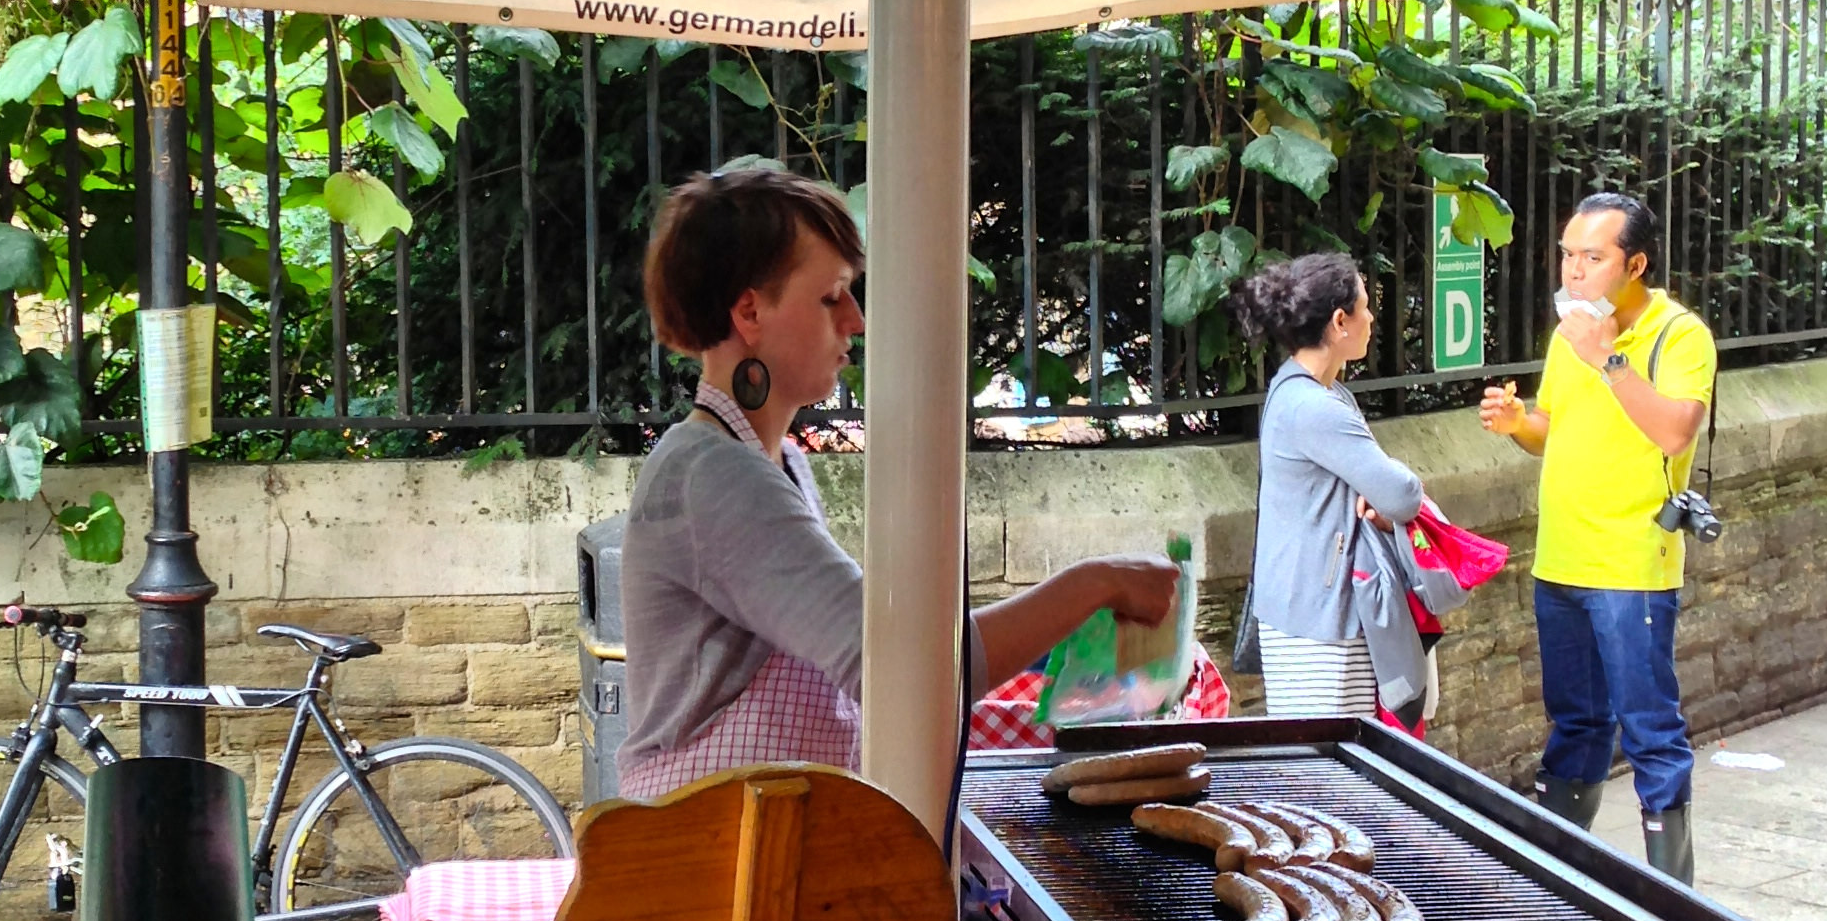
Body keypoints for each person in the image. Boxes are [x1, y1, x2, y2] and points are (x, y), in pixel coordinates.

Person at [615, 163, 1178, 800]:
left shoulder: (773, 461)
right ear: (750, 312)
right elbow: (899, 672)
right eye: (831, 297)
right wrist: (1095, 583)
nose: (855, 319)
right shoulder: (715, 477)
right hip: (704, 849)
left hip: (756, 837)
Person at [1481, 189, 1716, 881]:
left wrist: (1609, 359)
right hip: (1561, 559)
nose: (1574, 271)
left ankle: (1673, 902)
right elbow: (1551, 430)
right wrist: (1517, 423)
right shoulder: (1570, 332)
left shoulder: (1680, 336)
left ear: (1635, 264)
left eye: (1592, 257)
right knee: (1576, 723)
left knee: (1649, 730)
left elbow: (1675, 432)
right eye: (1567, 256)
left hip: (1630, 564)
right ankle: (1557, 882)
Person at [1232, 253, 1438, 726]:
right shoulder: (1313, 407)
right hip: (1316, 622)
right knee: (1325, 759)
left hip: (1312, 609)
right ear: (1339, 322)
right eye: (1365, 307)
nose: (1372, 318)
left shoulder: (1311, 392)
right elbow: (1402, 495)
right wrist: (1389, 483)